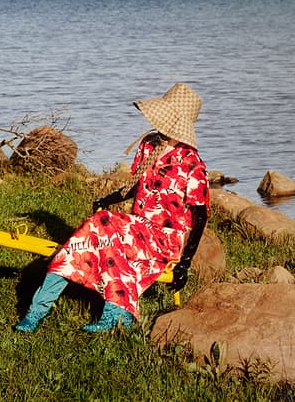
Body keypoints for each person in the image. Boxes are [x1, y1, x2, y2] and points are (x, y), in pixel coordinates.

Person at [15, 82, 209, 333]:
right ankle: (38, 308)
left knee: (110, 233)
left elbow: (200, 215)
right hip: (137, 226)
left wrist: (185, 263)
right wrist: (108, 199)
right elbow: (133, 184)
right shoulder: (149, 144)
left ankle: (116, 314)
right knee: (95, 227)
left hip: (163, 237)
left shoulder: (192, 164)